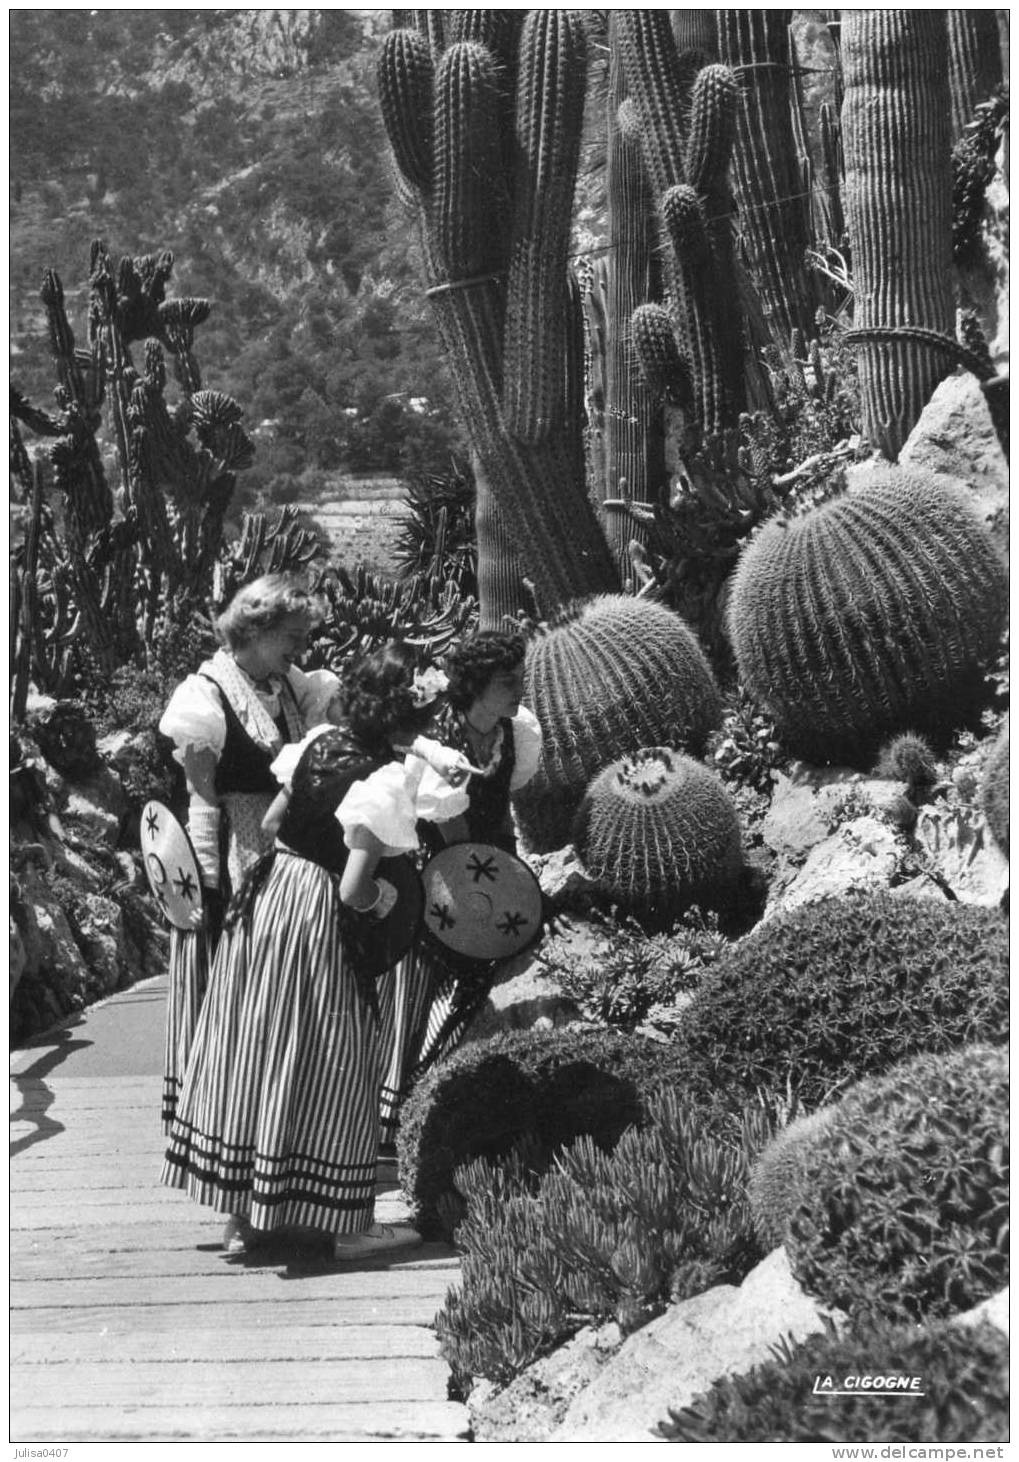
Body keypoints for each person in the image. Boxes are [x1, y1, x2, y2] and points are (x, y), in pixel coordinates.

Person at [160, 642, 467, 1259]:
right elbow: (356, 887)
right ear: (412, 723)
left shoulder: (319, 742)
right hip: (322, 918)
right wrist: (388, 902)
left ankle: (245, 1220)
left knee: (258, 1046)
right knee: (334, 1054)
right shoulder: (383, 782)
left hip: (270, 901)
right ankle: (344, 1224)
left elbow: (272, 825)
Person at [157, 573, 336, 1131]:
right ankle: (227, 1111)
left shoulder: (289, 687)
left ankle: (281, 1108)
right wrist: (208, 882)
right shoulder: (206, 698)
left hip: (289, 852)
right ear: (257, 631)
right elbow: (201, 797)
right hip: (241, 850)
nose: (301, 648)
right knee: (239, 982)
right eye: (293, 635)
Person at [378, 629, 543, 1143]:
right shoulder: (440, 744)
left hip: (492, 868)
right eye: (505, 682)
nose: (518, 690)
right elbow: (453, 839)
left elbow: (504, 809)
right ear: (474, 687)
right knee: (430, 986)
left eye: (519, 678)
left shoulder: (518, 733)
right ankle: (399, 1111)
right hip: (439, 876)